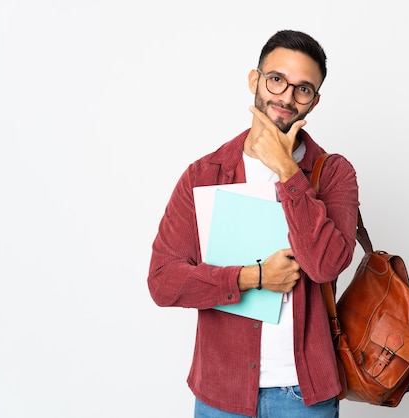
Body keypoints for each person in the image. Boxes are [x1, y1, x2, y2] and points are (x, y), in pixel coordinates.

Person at [147, 29, 359, 418]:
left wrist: (286, 170)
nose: (287, 97)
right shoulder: (204, 174)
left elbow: (325, 265)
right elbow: (163, 282)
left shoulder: (333, 174)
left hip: (303, 396)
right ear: (255, 80)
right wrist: (252, 277)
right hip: (220, 393)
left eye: (303, 89)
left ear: (315, 100)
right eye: (277, 79)